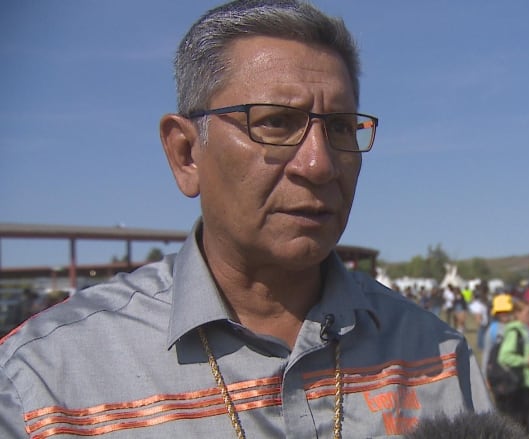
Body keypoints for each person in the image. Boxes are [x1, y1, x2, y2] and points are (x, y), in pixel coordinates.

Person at [0, 2, 492, 438]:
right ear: (186, 153)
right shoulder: (46, 382)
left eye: (340, 127)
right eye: (276, 122)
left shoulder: (436, 357)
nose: (318, 164)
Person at [496, 299, 529, 439]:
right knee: (523, 427)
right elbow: (504, 357)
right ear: (517, 313)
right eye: (528, 313)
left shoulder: (525, 330)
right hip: (518, 385)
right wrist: (526, 360)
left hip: (527, 384)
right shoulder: (514, 332)